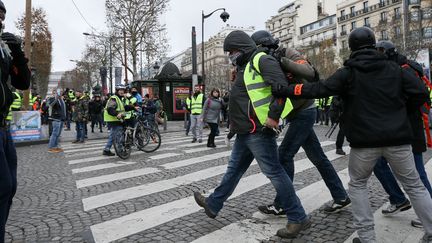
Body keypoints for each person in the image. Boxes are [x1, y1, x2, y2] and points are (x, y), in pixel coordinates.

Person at [275, 26, 432, 243]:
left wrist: (286, 90)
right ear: (374, 44)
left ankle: (367, 238)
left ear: (351, 48)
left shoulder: (348, 73)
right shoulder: (395, 69)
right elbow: (421, 93)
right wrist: (402, 112)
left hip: (364, 142)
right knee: (415, 186)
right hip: (398, 139)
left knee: (358, 185)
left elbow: (319, 89)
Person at [193, 30, 310, 239]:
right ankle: (213, 203)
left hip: (259, 129)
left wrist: (273, 117)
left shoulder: (262, 60)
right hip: (245, 130)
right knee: (234, 170)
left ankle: (298, 216)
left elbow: (281, 89)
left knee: (274, 172)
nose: (230, 55)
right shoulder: (246, 66)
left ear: (242, 48)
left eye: (232, 51)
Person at [250, 30, 350, 216]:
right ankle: (341, 196)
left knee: (284, 155)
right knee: (319, 158)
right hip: (295, 112)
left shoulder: (288, 53)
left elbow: (310, 73)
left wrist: (283, 62)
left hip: (304, 110)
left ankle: (283, 204)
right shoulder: (262, 61)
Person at [372, 40, 432, 227]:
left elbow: (419, 94)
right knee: (379, 163)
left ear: (387, 53)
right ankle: (398, 199)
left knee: (417, 173)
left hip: (409, 128)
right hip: (400, 128)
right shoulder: (400, 66)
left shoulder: (403, 69)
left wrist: (402, 111)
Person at [0, 0, 31, 240]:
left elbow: (23, 83)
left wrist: (17, 52)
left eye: (2, 17)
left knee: (10, 187)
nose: (0, 21)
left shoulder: (3, 48)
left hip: (4, 128)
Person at [102, 85, 136, 156]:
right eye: (120, 90)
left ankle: (106, 149)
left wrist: (133, 107)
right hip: (114, 120)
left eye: (123, 90)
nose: (122, 91)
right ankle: (120, 151)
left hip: (116, 119)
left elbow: (124, 108)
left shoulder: (120, 99)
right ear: (117, 91)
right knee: (119, 135)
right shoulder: (114, 98)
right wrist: (117, 114)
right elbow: (110, 109)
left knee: (113, 135)